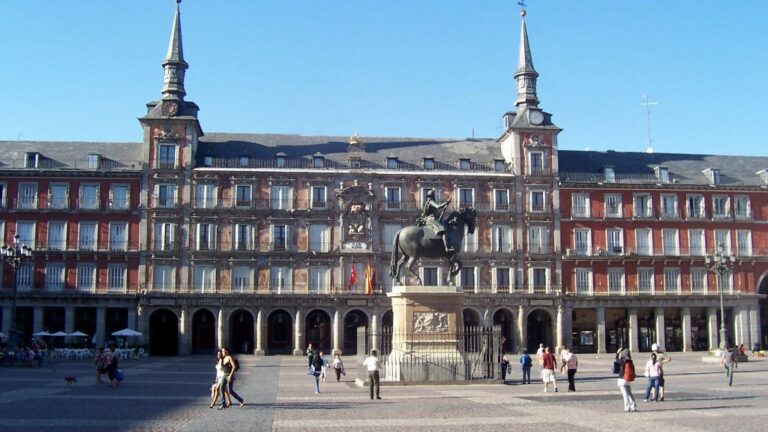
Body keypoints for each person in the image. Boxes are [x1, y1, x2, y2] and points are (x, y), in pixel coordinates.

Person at [419, 189, 453, 253]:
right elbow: (438, 206)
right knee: (443, 231)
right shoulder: (431, 201)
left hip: (429, 219)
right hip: (430, 219)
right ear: (433, 196)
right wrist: (446, 202)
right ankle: (446, 248)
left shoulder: (427, 202)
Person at [616, 348, 637, 412]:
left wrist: (617, 353)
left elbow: (616, 360)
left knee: (625, 395)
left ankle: (627, 408)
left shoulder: (622, 361)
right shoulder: (630, 361)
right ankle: (633, 407)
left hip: (622, 379)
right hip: (628, 379)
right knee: (630, 394)